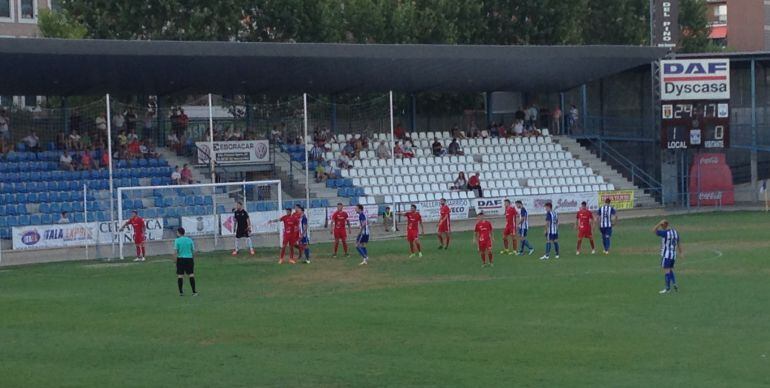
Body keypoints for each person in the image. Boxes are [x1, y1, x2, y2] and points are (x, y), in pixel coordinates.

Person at [653, 219, 682, 294]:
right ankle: (674, 283)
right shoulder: (675, 232)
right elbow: (678, 242)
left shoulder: (665, 233)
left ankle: (667, 288)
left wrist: (659, 223)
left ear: (664, 226)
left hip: (666, 255)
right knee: (670, 269)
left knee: (666, 271)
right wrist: (681, 252)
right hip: (673, 255)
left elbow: (654, 230)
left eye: (662, 226)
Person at [173, 227, 198, 296]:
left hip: (180, 259)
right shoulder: (190, 240)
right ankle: (194, 292)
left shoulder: (177, 240)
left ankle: (181, 292)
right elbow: (193, 251)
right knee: (191, 274)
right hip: (189, 259)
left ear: (178, 233)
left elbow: (175, 252)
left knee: (180, 275)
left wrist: (175, 260)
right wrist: (193, 259)